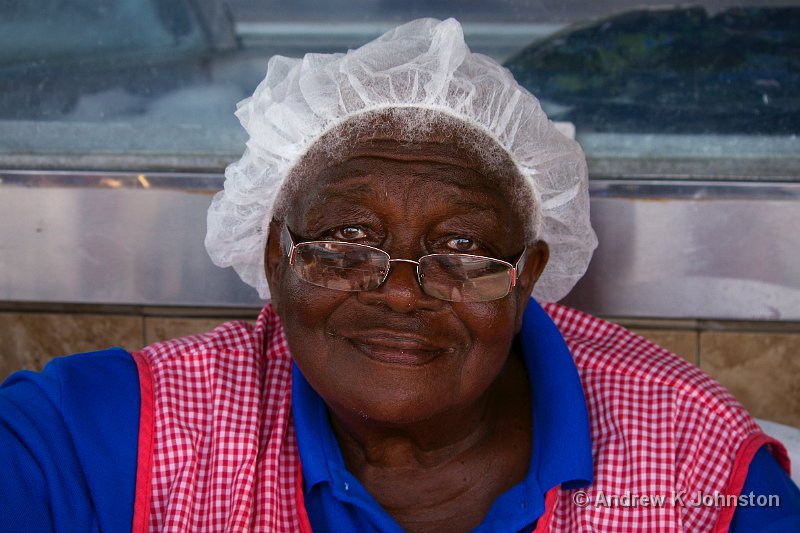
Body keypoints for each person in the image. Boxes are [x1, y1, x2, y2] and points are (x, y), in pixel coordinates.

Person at [1, 18, 799, 533]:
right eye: (347, 237)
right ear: (274, 255)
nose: (399, 290)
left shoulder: (696, 466)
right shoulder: (104, 437)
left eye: (462, 246)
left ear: (528, 275)